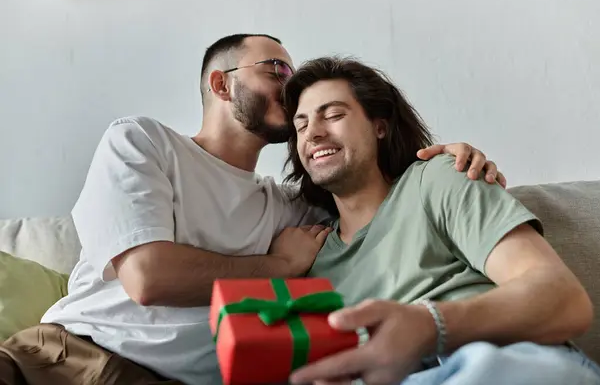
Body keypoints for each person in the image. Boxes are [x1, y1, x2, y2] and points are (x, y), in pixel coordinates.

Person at [0, 34, 504, 385]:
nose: (290, 85)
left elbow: (376, 201)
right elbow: (148, 279)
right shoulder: (143, 141)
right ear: (221, 85)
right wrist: (277, 267)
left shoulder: (289, 206)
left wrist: (449, 159)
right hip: (68, 357)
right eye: (275, 70)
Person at [279, 56, 600, 385]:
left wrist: (429, 324)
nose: (313, 134)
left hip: (501, 360)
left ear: (380, 126)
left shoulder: (437, 178)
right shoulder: (315, 266)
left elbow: (564, 300)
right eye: (301, 125)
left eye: (333, 115)